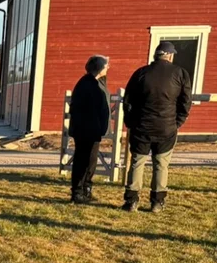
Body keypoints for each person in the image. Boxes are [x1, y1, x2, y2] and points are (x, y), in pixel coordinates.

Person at [121, 40, 192, 212]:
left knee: (137, 162)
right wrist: (177, 122)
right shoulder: (180, 73)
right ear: (170, 55)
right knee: (161, 164)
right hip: (166, 127)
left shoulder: (141, 73)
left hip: (142, 126)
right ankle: (157, 202)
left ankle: (132, 201)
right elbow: (185, 102)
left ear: (156, 55)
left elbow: (128, 100)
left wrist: (130, 122)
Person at [67, 55, 110, 204]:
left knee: (90, 160)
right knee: (82, 160)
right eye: (106, 66)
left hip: (92, 130)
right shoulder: (88, 84)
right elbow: (86, 109)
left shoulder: (94, 83)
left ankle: (86, 188)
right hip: (86, 130)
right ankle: (77, 192)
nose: (108, 68)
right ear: (100, 68)